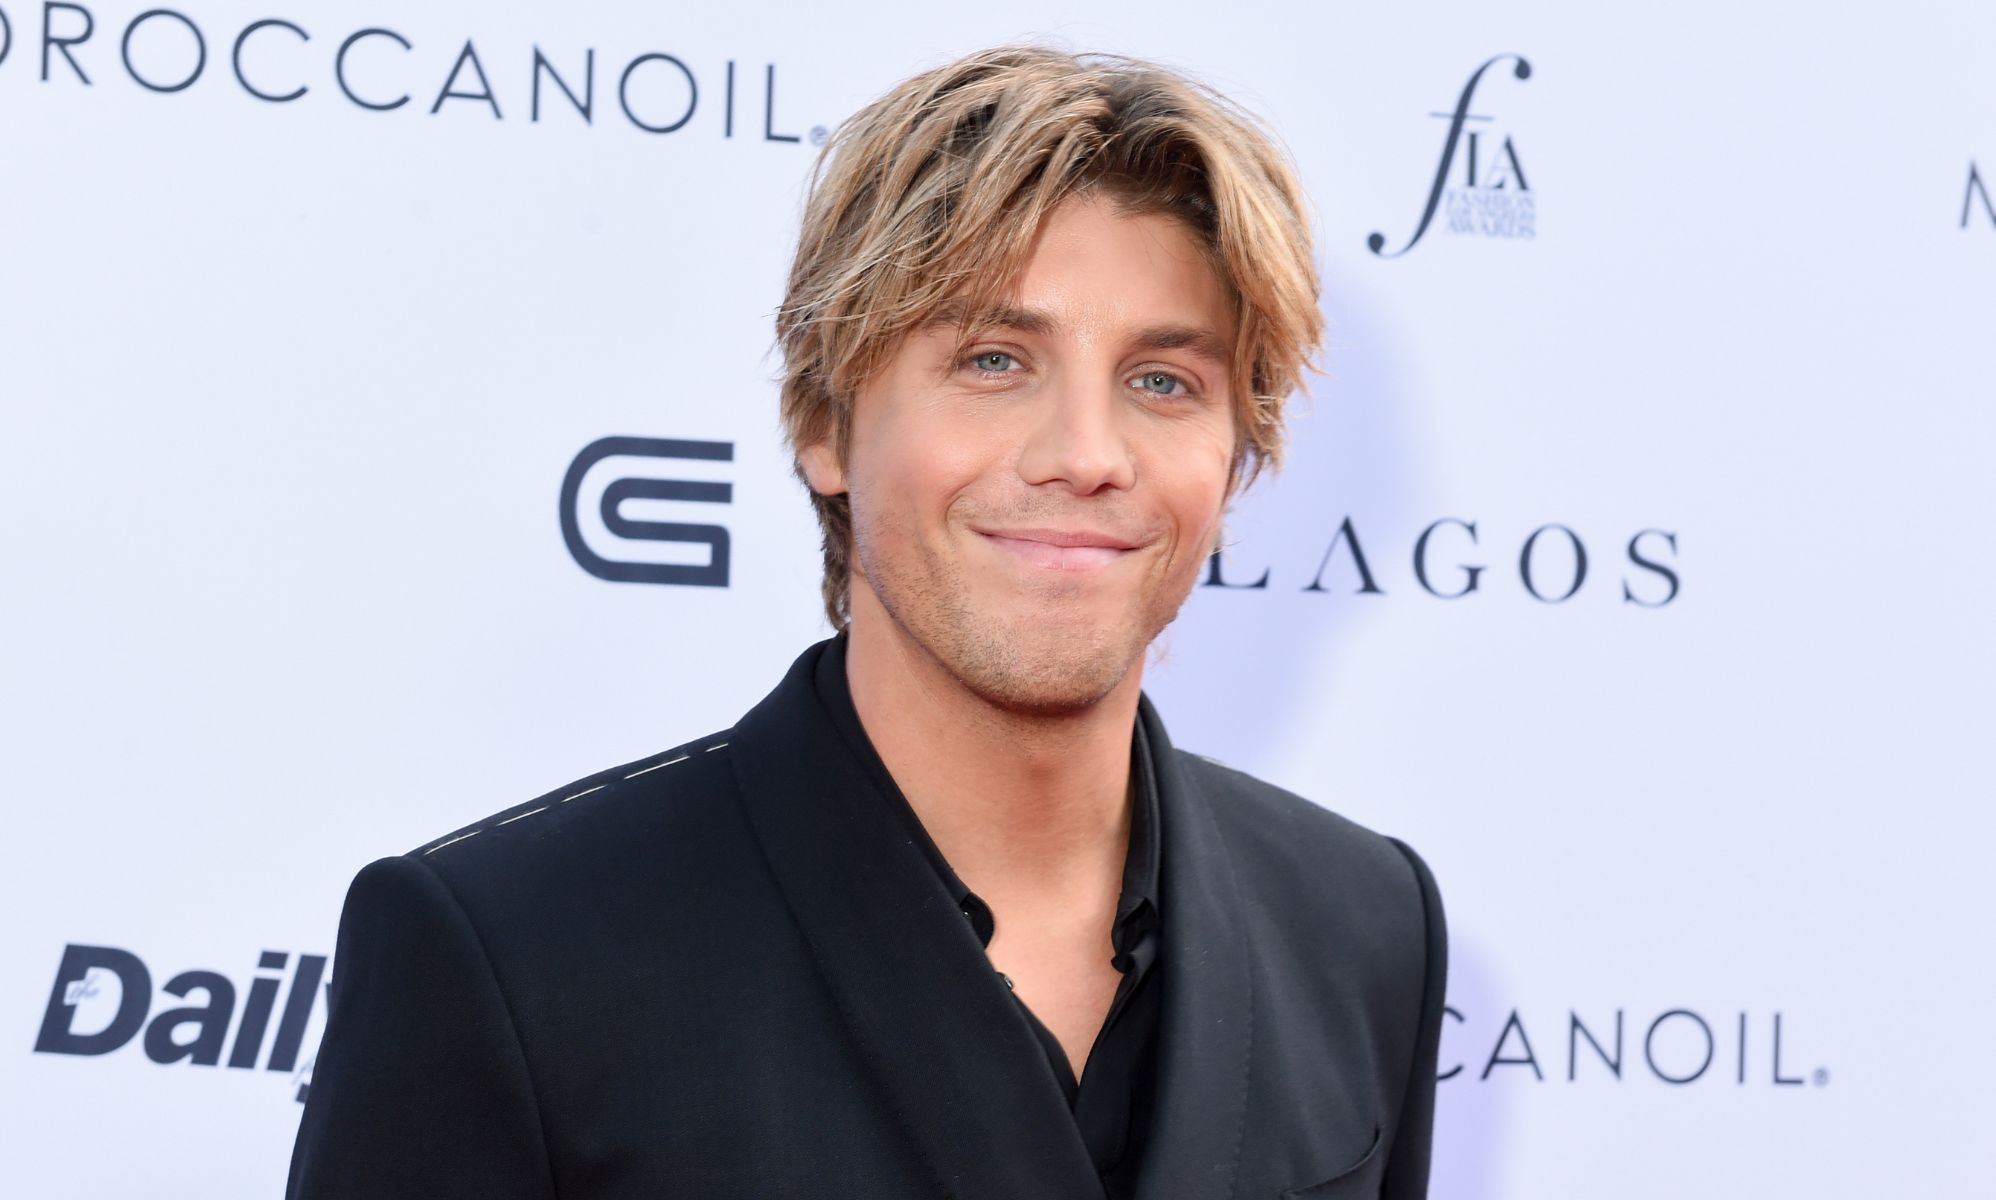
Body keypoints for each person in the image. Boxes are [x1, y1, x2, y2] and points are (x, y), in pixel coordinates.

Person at [287, 43, 1446, 1200]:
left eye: (1161, 381)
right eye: (994, 361)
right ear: (825, 424)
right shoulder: (510, 960)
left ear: (1234, 453)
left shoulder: (1363, 927)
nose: (1087, 456)